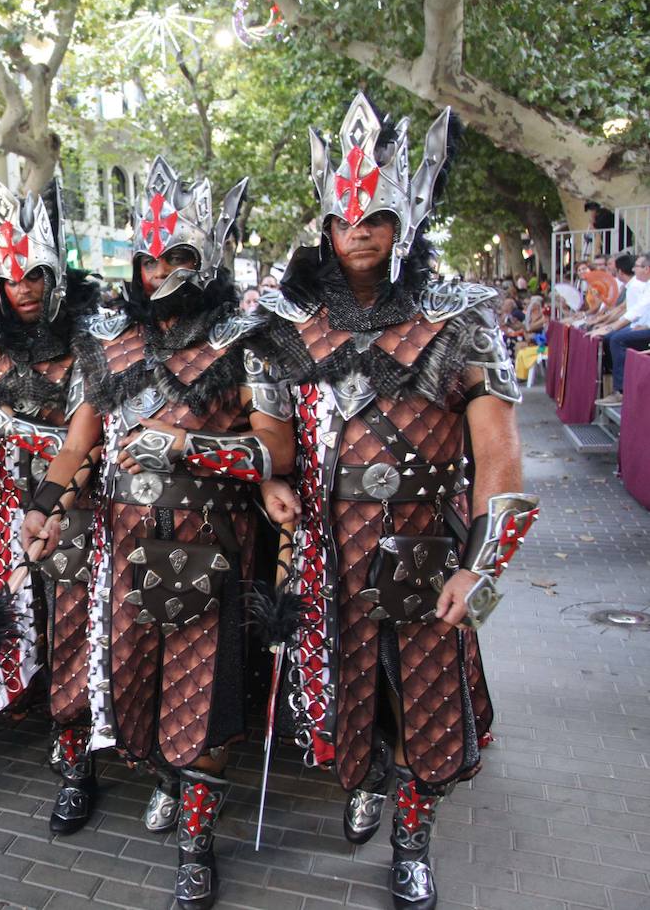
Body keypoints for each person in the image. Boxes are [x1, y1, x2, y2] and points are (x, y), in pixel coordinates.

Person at [256, 92, 536, 910]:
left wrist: (481, 568)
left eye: (375, 215)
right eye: (344, 219)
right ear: (326, 225)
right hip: (328, 545)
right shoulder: (292, 323)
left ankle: (412, 838)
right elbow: (273, 430)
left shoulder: (463, 321)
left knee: (427, 695)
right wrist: (271, 477)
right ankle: (363, 782)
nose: (360, 231)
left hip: (424, 543)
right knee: (344, 686)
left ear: (404, 217)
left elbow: (499, 456)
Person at [76, 155, 292, 910]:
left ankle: (198, 844)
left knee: (204, 694)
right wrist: (44, 505)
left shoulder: (249, 340)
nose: (157, 271)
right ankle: (166, 780)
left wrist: (188, 446)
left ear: (207, 259)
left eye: (175, 257)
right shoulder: (107, 342)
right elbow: (80, 439)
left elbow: (276, 450)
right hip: (126, 540)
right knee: (137, 684)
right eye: (147, 258)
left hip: (211, 544)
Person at [0, 180, 104, 834]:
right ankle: (32, 713)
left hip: (73, 508)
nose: (21, 288)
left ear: (56, 275)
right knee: (23, 621)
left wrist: (16, 429)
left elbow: (89, 435)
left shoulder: (90, 341)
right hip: (6, 507)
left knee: (76, 625)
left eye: (34, 275)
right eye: (9, 278)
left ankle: (77, 753)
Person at [596, 253, 650, 406]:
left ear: (646, 269)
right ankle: (616, 380)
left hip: (642, 326)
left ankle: (621, 390)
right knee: (612, 337)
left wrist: (610, 327)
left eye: (637, 267)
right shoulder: (644, 285)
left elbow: (636, 311)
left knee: (616, 339)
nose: (634, 269)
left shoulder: (640, 286)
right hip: (642, 325)